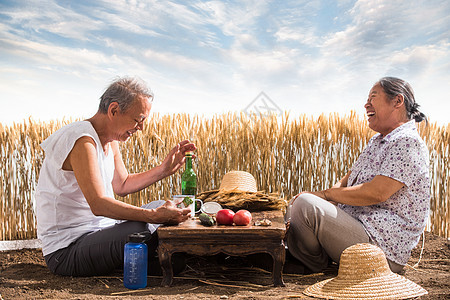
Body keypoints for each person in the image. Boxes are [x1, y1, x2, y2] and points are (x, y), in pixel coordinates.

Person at [35, 76, 194, 276]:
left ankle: (149, 259)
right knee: (141, 225)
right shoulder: (82, 140)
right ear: (113, 110)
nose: (141, 128)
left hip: (101, 235)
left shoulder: (110, 141)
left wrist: (164, 170)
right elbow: (99, 204)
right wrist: (153, 216)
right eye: (138, 120)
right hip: (67, 250)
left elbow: (122, 184)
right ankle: (155, 260)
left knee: (159, 204)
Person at [286, 76, 430, 274]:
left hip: (380, 247)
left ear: (397, 101)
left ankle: (313, 264)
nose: (366, 104)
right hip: (358, 228)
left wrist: (326, 196)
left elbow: (376, 193)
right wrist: (320, 197)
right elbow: (347, 180)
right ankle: (303, 256)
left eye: (373, 97)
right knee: (296, 202)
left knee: (305, 205)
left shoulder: (407, 142)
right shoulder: (377, 142)